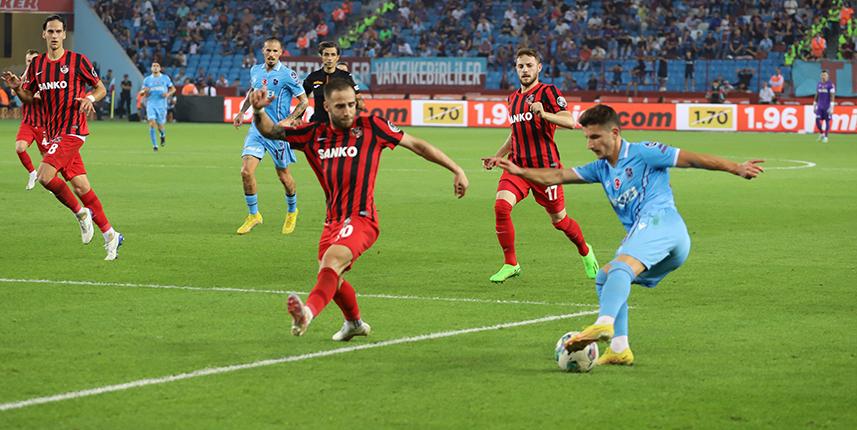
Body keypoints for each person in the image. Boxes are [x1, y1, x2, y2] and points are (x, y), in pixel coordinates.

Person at [485, 104, 764, 366]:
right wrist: (519, 171)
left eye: (595, 137)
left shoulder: (644, 152)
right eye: (587, 138)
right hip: (658, 241)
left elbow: (692, 160)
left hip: (662, 224)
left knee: (619, 267)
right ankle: (619, 348)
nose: (590, 144)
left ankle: (604, 322)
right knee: (605, 276)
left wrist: (736, 168)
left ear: (614, 133)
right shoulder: (601, 168)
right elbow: (555, 177)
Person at [250, 78, 468, 340]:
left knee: (331, 262)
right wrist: (259, 111)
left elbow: (418, 146)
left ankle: (306, 315)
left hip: (362, 218)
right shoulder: (313, 134)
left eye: (351, 104)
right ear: (327, 107)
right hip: (332, 222)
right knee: (332, 277)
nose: (348, 111)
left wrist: (456, 169)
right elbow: (271, 131)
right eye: (340, 106)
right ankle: (354, 323)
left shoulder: (372, 127)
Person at [2, 15, 123, 260]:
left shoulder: (78, 61)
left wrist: (89, 99)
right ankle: (111, 235)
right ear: (44, 35)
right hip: (53, 133)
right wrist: (16, 87)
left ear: (64, 35)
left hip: (74, 130)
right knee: (80, 186)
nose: (55, 36)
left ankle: (81, 213)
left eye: (59, 31)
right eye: (51, 32)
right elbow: (28, 99)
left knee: (45, 176)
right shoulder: (37, 66)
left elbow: (99, 88)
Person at [482, 48, 598, 284]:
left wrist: (545, 114)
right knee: (501, 206)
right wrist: (497, 156)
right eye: (520, 66)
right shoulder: (512, 98)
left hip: (546, 170)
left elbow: (570, 121)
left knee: (560, 221)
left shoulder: (548, 92)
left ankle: (586, 251)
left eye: (529, 65)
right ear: (516, 69)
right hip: (518, 166)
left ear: (539, 68)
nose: (525, 70)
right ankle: (511, 264)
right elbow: (515, 134)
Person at [232, 37, 309, 235]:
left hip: (277, 133)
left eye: (275, 51)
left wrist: (290, 120)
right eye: (268, 51)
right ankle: (253, 215)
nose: (271, 54)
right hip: (257, 130)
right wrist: (242, 112)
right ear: (263, 51)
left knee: (284, 176)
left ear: (281, 52)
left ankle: (292, 211)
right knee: (246, 172)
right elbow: (252, 92)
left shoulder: (287, 75)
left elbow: (304, 102)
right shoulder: (255, 70)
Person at [302, 41, 363, 123]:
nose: (329, 58)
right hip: (318, 124)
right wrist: (298, 117)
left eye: (333, 54)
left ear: (337, 57)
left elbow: (360, 101)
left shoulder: (346, 76)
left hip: (339, 125)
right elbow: (302, 99)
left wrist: (353, 117)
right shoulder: (313, 77)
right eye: (326, 54)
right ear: (321, 56)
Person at [12, 49, 47, 190]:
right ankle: (32, 173)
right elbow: (15, 91)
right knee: (20, 148)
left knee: (47, 157)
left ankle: (51, 182)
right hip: (28, 122)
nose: (31, 63)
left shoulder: (46, 78)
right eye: (28, 61)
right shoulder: (23, 78)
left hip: (44, 124)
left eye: (34, 61)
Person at [141, 62, 175, 151]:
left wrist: (167, 94)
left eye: (157, 66)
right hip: (151, 104)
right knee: (152, 124)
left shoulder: (165, 78)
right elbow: (144, 94)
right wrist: (146, 91)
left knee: (160, 126)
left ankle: (162, 135)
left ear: (160, 68)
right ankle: (155, 146)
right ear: (151, 68)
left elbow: (173, 89)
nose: (155, 67)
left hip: (161, 105)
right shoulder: (147, 80)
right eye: (153, 66)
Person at [814, 69, 835, 143]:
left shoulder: (830, 85)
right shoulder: (819, 84)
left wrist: (832, 107)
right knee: (817, 120)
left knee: (827, 122)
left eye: (825, 75)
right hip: (819, 106)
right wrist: (814, 105)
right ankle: (822, 133)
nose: (824, 76)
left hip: (827, 106)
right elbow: (817, 94)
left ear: (827, 76)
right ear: (820, 76)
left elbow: (832, 96)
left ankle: (826, 137)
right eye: (822, 75)